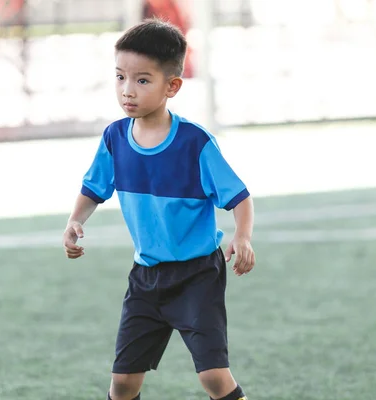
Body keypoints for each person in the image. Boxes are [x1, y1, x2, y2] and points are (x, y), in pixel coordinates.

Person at [61, 18, 255, 400]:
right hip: (145, 279)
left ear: (172, 86)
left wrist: (242, 235)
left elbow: (239, 197)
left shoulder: (194, 143)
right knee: (123, 382)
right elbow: (93, 188)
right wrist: (74, 220)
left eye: (142, 80)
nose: (127, 90)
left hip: (197, 277)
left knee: (214, 377)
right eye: (120, 77)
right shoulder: (115, 138)